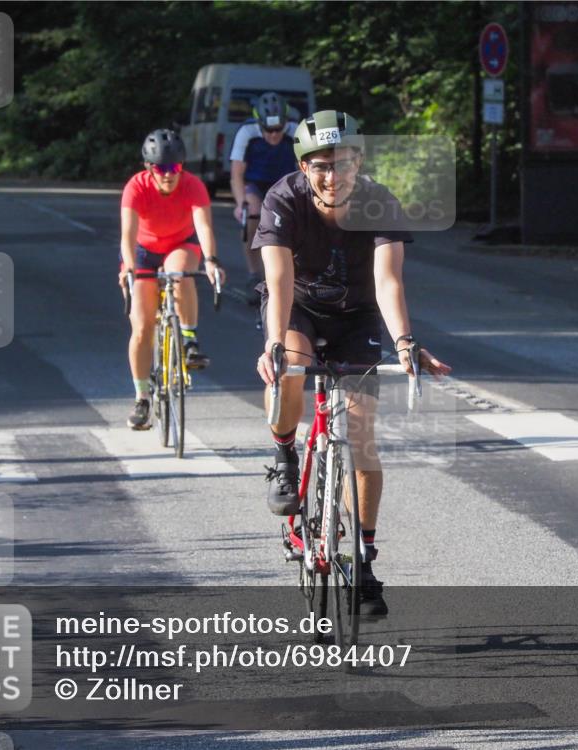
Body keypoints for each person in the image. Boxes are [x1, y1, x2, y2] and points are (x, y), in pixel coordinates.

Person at [254, 110, 451, 616]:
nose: (331, 175)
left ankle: (364, 559)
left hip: (356, 314)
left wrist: (404, 342)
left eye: (342, 164)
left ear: (358, 163)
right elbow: (277, 281)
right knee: (290, 368)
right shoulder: (283, 200)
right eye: (319, 165)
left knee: (362, 435)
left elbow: (388, 282)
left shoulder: (378, 201)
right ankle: (283, 457)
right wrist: (274, 343)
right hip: (298, 309)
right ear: (303, 168)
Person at [119, 128, 225, 430]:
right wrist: (128, 267)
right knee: (141, 328)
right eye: (162, 169)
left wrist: (211, 260)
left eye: (175, 168)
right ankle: (142, 398)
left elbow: (203, 227)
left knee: (179, 273)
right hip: (143, 250)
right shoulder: (136, 187)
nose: (169, 175)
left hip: (180, 243)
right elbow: (127, 234)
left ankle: (189, 339)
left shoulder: (193, 186)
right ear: (149, 168)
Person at [229, 92, 298, 311]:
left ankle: (294, 272)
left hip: (284, 182)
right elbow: (236, 174)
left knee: (294, 218)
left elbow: (305, 168)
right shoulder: (246, 132)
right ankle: (253, 273)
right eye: (268, 130)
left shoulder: (296, 131)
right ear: (260, 124)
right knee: (252, 211)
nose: (274, 135)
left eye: (278, 129)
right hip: (256, 183)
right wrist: (240, 203)